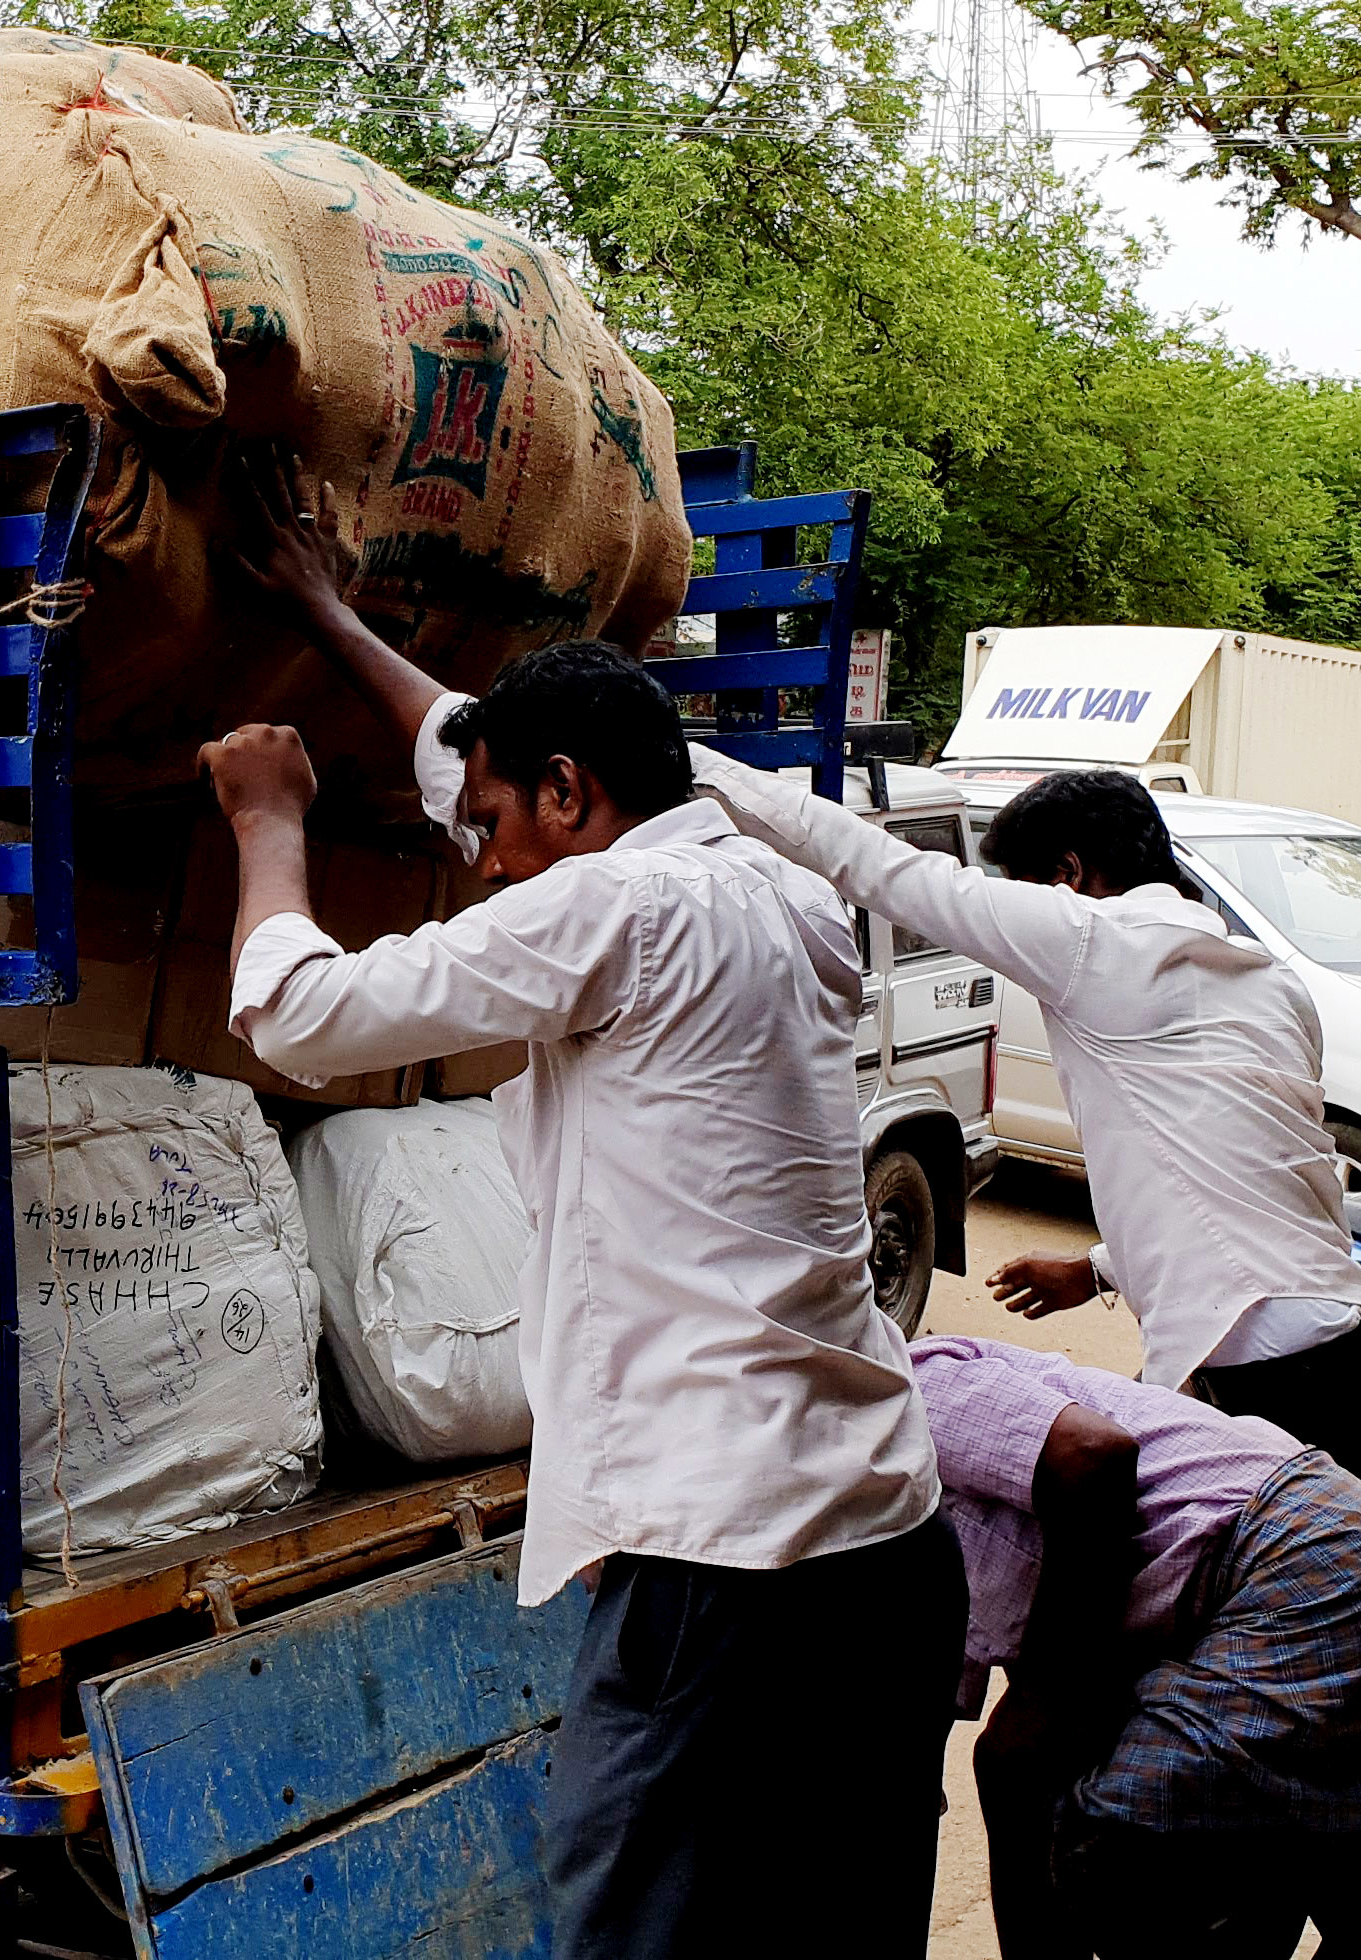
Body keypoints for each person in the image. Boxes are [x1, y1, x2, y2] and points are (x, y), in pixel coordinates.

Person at [211, 448, 960, 1958]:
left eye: (496, 828)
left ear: (572, 795)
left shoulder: (606, 904)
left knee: (629, 1923)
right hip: (886, 1538)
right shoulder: (786, 895)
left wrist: (268, 822)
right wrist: (329, 613)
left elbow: (298, 1016)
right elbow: (470, 755)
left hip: (727, 1567)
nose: (477, 864)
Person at [692, 756, 1361, 1500]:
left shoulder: (1092, 942)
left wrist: (687, 759)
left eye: (1022, 892)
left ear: (1068, 874)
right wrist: (1093, 1270)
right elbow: (1226, 1172)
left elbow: (879, 868)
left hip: (1272, 1375)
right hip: (1349, 1340)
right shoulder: (1268, 981)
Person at [914, 1334, 1361, 1957]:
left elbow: (1092, 1457)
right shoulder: (822, 1509)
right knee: (1028, 1782)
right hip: (1253, 1587)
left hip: (1296, 1552)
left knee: (1119, 1834)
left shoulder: (904, 1386)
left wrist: (1043, 1699)